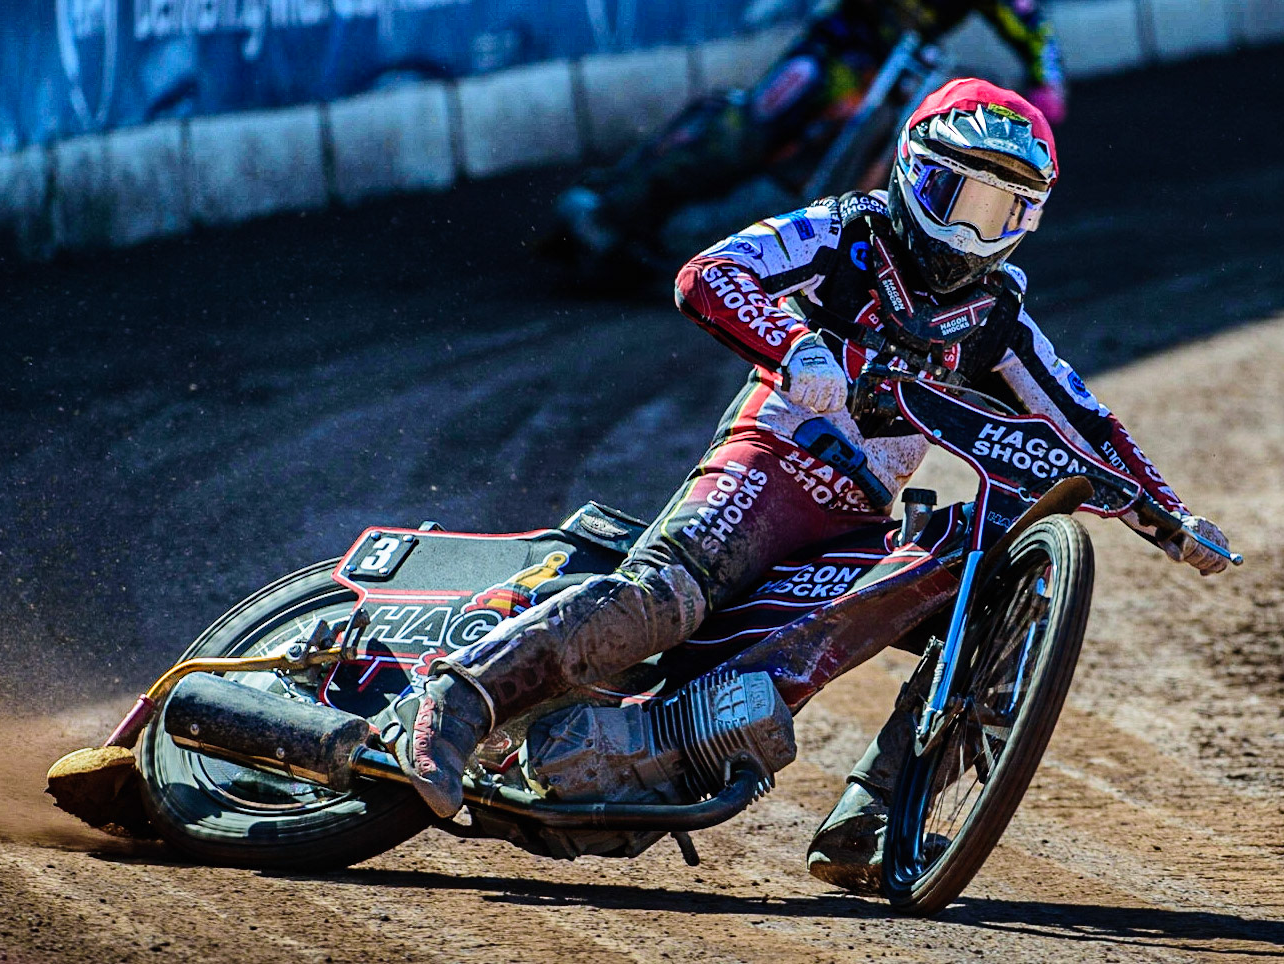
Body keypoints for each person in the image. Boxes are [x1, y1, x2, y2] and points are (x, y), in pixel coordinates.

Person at [383, 78, 1230, 887]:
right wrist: (797, 346)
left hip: (857, 518)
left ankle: (871, 816)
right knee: (661, 602)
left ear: (1028, 222)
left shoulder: (998, 318)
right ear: (909, 173)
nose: (972, 233)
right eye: (956, 198)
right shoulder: (842, 233)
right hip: (769, 461)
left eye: (1000, 211)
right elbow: (707, 274)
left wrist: (1173, 518)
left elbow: (1085, 424)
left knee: (973, 600)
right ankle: (455, 705)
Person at [552, 0, 1067, 269]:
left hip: (894, 71)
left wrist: (1048, 82)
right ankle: (612, 214)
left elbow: (1030, 23)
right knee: (747, 136)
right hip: (834, 49)